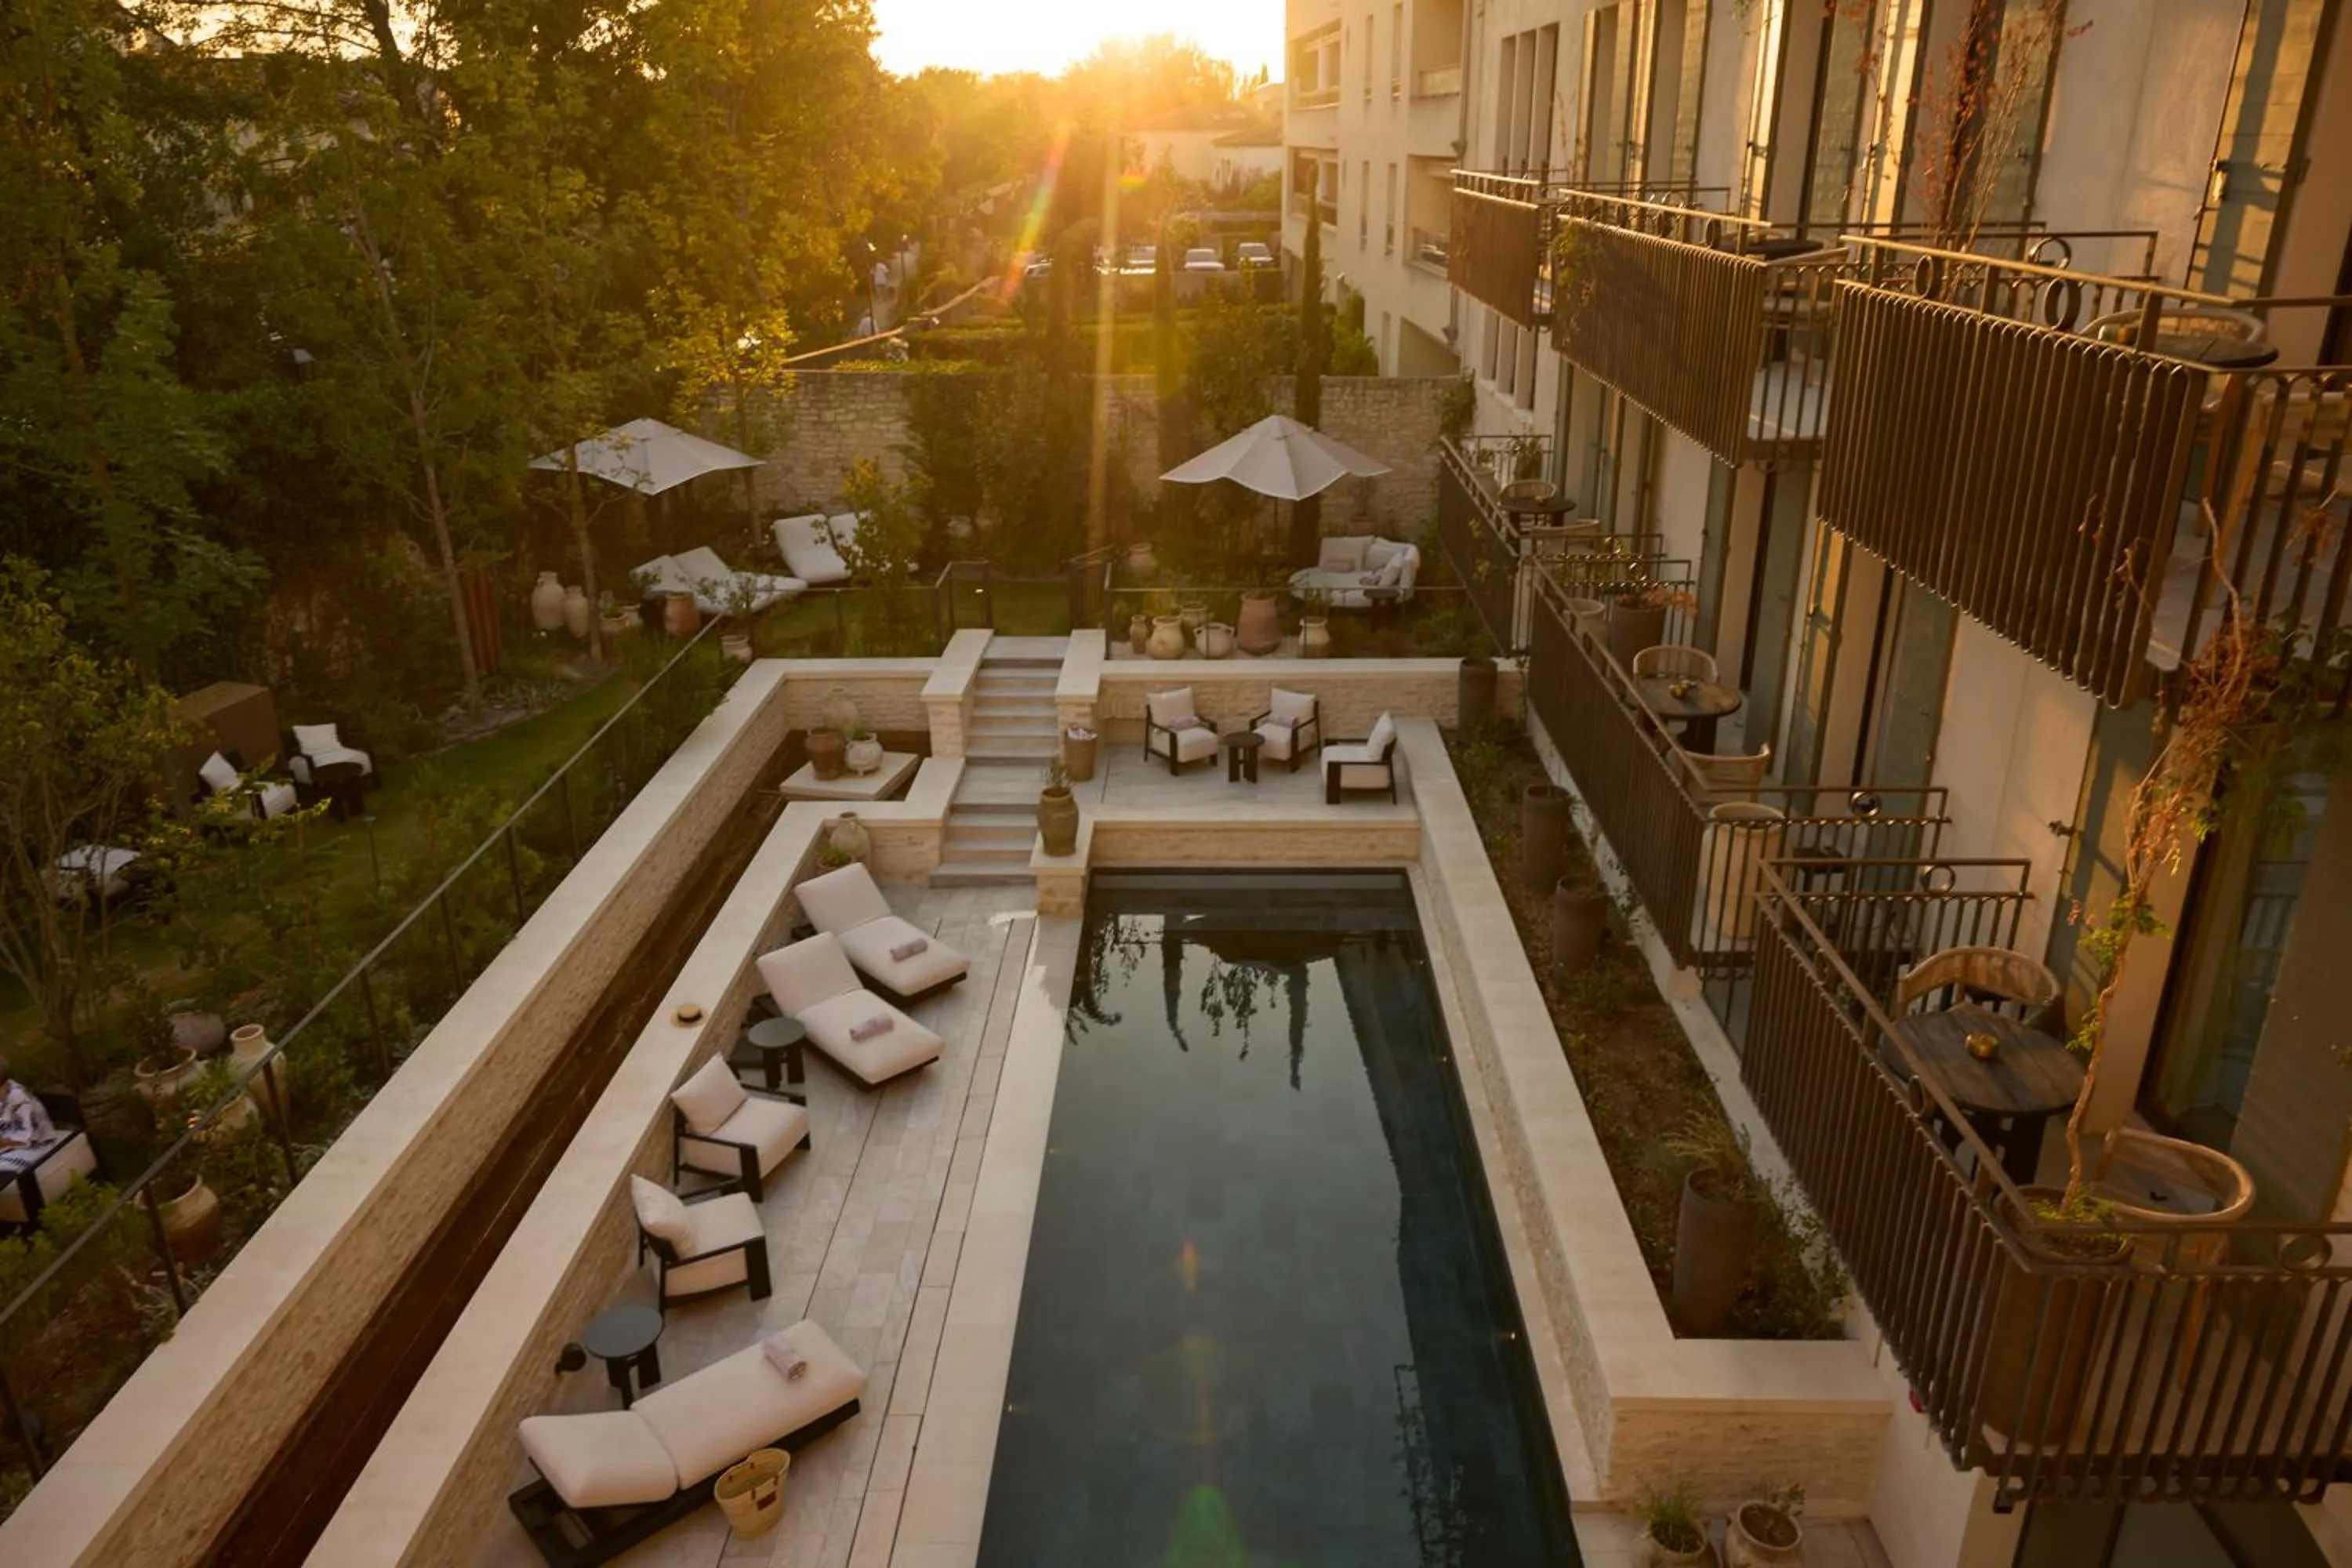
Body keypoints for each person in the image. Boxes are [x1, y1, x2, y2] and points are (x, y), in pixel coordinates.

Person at [0, 1056, 57, 1170]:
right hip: (9, 1148)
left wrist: (3, 1142)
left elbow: (29, 1137)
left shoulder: (19, 1098)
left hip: (35, 1147)